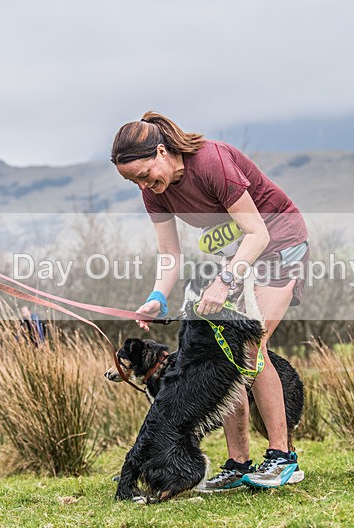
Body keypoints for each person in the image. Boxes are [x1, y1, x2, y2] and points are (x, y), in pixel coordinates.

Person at [111, 112, 309, 490]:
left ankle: (283, 458)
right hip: (236, 255)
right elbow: (170, 253)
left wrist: (224, 281)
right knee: (224, 355)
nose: (144, 185)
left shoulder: (211, 162)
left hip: (278, 244)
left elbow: (257, 233)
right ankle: (238, 464)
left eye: (145, 174)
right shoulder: (154, 191)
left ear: (162, 151)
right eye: (133, 181)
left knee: (252, 347)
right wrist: (157, 296)